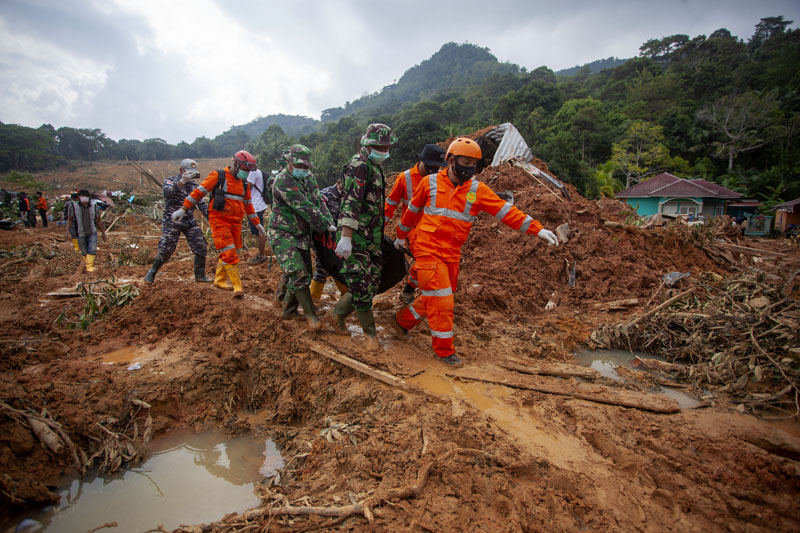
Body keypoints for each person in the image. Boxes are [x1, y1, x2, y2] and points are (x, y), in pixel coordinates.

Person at [392, 138, 560, 367]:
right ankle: (444, 352)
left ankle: (402, 321)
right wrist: (401, 236)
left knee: (435, 297)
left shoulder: (477, 190)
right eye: (465, 162)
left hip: (451, 253)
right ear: (451, 161)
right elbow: (411, 211)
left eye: (474, 164)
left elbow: (506, 212)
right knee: (443, 301)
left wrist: (537, 229)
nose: (469, 168)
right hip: (426, 248)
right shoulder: (429, 183)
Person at [332, 123, 395, 351]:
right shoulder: (359, 165)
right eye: (378, 146)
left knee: (371, 284)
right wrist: (346, 237)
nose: (383, 150)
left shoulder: (374, 166)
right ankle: (371, 335)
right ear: (366, 144)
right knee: (360, 285)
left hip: (372, 238)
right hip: (356, 238)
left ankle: (337, 313)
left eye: (386, 146)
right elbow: (351, 202)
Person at [173, 150, 263, 298]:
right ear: (236, 164)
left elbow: (249, 206)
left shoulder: (244, 184)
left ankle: (219, 280)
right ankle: (237, 286)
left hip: (236, 223)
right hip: (220, 221)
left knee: (235, 250)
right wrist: (183, 209)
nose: (246, 174)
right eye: (245, 170)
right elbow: (198, 193)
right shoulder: (218, 176)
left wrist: (257, 224)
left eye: (248, 172)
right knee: (229, 252)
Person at [267, 144, 336, 328]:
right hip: (282, 232)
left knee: (304, 272)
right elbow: (304, 206)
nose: (303, 170)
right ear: (289, 162)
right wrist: (324, 225)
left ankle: (288, 310)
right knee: (297, 272)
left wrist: (330, 223)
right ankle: (310, 315)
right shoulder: (282, 181)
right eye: (300, 166)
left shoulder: (309, 177)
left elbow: (318, 200)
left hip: (301, 234)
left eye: (306, 167)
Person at [384, 143, 446, 304]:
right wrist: (379, 230)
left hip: (434, 229)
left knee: (430, 264)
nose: (434, 170)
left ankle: (411, 288)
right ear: (422, 161)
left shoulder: (441, 178)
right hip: (413, 230)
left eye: (438, 167)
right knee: (424, 262)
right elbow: (390, 205)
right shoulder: (405, 178)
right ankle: (409, 292)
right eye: (431, 166)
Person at [144, 159, 211, 283]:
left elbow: (201, 204)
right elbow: (167, 193)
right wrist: (181, 182)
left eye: (193, 173)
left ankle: (200, 275)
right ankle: (152, 272)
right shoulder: (170, 181)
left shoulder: (194, 186)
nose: (191, 175)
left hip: (189, 221)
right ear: (181, 171)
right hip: (172, 221)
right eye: (188, 172)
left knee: (200, 245)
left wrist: (211, 219)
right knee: (166, 249)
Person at [309, 180, 350, 300]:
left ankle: (346, 294)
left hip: (339, 237)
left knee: (337, 265)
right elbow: (314, 214)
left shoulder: (349, 197)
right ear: (338, 183)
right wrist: (326, 225)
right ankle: (314, 298)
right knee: (323, 266)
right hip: (321, 238)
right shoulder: (325, 195)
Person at [66, 189, 107, 273]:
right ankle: (86, 265)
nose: (84, 198)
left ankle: (89, 266)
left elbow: (98, 220)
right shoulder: (73, 207)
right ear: (79, 197)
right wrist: (67, 230)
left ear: (89, 197)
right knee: (84, 251)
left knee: (92, 249)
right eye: (82, 196)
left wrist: (103, 232)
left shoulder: (94, 206)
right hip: (80, 232)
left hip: (92, 231)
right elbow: (69, 219)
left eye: (86, 196)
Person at [246, 167, 269, 265]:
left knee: (258, 231)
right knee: (258, 231)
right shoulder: (256, 170)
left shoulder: (252, 172)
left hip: (255, 206)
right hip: (258, 204)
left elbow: (247, 188)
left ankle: (262, 255)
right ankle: (261, 254)